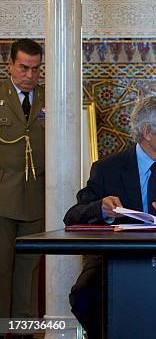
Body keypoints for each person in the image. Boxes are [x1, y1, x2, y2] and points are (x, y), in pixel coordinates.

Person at [64, 96, 156, 339]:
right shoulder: (107, 168)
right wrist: (102, 209)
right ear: (147, 132)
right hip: (118, 258)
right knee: (84, 295)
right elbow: (73, 216)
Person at [0, 39, 45, 321]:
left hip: (38, 197)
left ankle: (24, 327)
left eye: (36, 69)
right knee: (1, 268)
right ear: (10, 66)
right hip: (3, 198)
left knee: (30, 269)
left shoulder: (49, 98)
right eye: (24, 68)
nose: (30, 76)